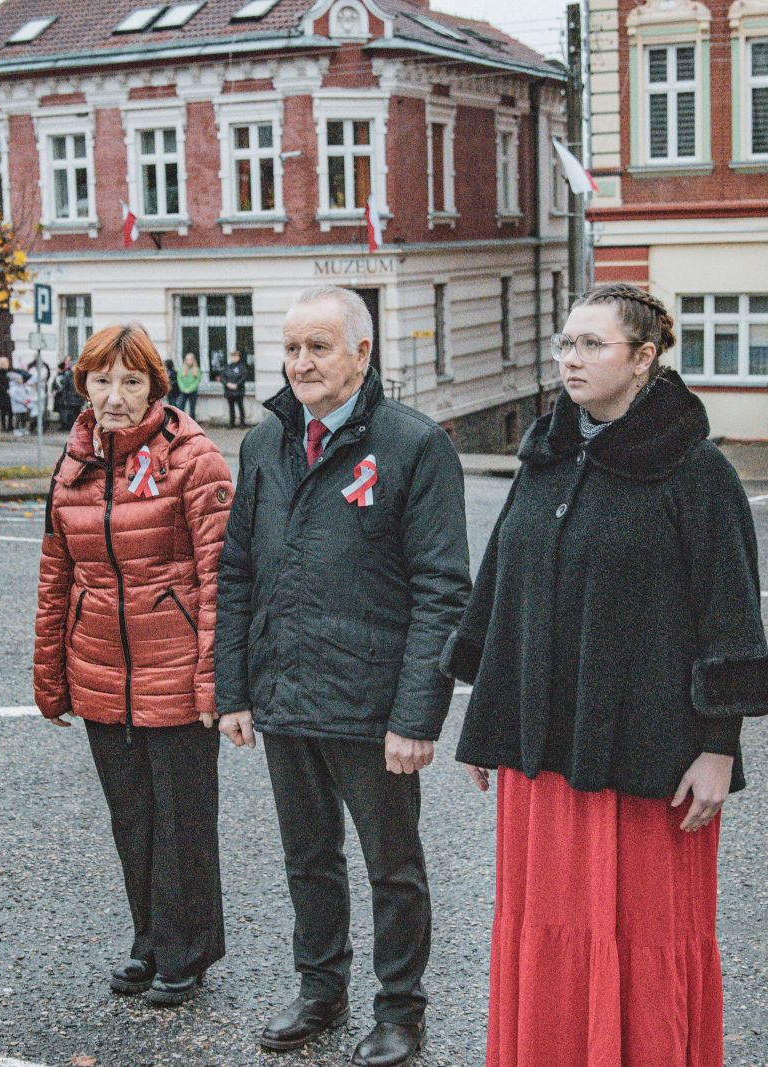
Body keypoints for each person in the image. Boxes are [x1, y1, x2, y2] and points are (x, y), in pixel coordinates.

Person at [445, 282, 768, 1067]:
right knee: (549, 929)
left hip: (651, 763)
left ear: (643, 358)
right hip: (542, 759)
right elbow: (500, 596)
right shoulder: (544, 461)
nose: (571, 358)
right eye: (566, 342)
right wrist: (485, 724)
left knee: (645, 932)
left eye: (592, 344)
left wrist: (719, 747)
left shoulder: (697, 474)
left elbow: (730, 614)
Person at [215, 286, 470, 1067]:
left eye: (318, 346)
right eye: (292, 348)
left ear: (362, 352)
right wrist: (233, 689)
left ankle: (400, 1008)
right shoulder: (265, 443)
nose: (301, 363)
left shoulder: (414, 446)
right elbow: (237, 569)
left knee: (393, 866)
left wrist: (417, 716)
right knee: (308, 857)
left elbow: (442, 589)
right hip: (285, 691)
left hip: (372, 702)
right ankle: (320, 989)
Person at [33, 324, 234, 1007]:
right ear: (82, 385)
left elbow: (220, 579)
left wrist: (214, 681)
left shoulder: (193, 458)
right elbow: (56, 575)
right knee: (133, 818)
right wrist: (51, 680)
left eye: (130, 381)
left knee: (183, 821)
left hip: (174, 668)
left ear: (155, 387)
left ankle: (188, 950)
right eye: (101, 381)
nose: (114, 396)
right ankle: (149, 939)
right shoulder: (74, 462)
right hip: (100, 670)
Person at [221, 350, 250, 429]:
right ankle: (231, 423)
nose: (234, 358)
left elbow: (244, 377)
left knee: (240, 407)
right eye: (232, 356)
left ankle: (242, 423)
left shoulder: (242, 367)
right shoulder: (227, 367)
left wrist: (237, 385)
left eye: (235, 356)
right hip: (229, 391)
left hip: (239, 391)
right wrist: (227, 384)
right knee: (231, 408)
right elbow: (222, 377)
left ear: (238, 357)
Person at [54, 359, 84, 431]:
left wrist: (83, 399)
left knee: (77, 414)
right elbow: (65, 389)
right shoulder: (68, 375)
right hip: (70, 399)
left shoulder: (80, 375)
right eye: (74, 366)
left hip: (78, 399)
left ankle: (76, 428)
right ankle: (72, 428)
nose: (75, 368)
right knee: (71, 415)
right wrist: (65, 399)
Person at [177, 352, 202, 419]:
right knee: (180, 407)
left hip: (193, 391)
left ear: (193, 360)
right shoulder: (181, 369)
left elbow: (197, 381)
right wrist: (184, 388)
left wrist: (190, 389)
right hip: (183, 391)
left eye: (191, 359)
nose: (189, 361)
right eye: (187, 359)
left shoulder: (197, 370)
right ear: (185, 360)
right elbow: (179, 380)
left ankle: (192, 422)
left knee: (192, 409)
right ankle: (181, 421)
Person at [0, 355, 14, 433]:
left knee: (10, 411)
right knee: (3, 411)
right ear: (2, 364)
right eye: (6, 362)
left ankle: (10, 425)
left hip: (10, 394)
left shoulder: (10, 371)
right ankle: (3, 426)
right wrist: (6, 390)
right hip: (3, 395)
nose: (8, 364)